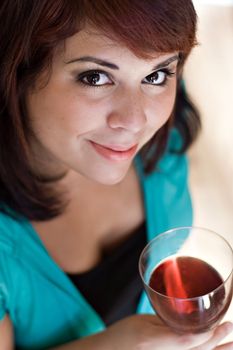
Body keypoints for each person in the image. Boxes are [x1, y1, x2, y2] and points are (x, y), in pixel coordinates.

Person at [0, 1, 233, 349]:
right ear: (16, 72)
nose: (137, 120)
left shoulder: (168, 127)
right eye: (95, 77)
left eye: (155, 75)